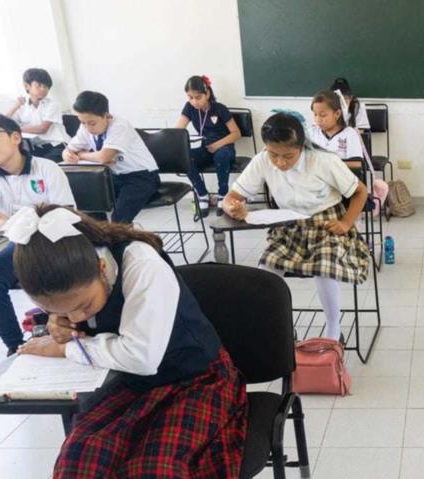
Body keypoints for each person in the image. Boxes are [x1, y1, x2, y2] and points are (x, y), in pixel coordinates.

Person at [7, 205, 281, 479]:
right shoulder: (70, 272)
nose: (77, 316)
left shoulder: (141, 265)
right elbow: (104, 341)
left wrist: (69, 347)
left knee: (161, 473)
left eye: (81, 305)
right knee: (79, 463)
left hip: (197, 379)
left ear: (101, 265)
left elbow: (142, 355)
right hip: (130, 384)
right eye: (61, 309)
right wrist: (63, 324)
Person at [220, 113, 370, 342]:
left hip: (326, 222)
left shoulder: (322, 161)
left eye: (288, 156)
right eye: (273, 154)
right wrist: (233, 208)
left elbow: (360, 192)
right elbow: (231, 197)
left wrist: (346, 223)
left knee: (324, 267)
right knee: (266, 275)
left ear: (301, 147)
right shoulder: (262, 160)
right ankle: (284, 328)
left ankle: (333, 330)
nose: (280, 162)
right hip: (288, 224)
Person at [0, 113, 77, 354]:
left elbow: (62, 214)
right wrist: (9, 223)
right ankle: (15, 345)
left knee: (48, 276)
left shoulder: (46, 168)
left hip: (54, 239)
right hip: (19, 241)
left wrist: (15, 223)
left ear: (16, 137)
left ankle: (67, 329)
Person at [63, 90, 160, 224]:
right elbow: (67, 150)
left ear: (106, 116)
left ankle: (120, 242)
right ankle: (102, 239)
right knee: (89, 206)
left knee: (118, 221)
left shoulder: (120, 126)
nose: (87, 128)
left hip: (142, 177)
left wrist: (80, 155)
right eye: (82, 122)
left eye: (91, 123)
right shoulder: (85, 127)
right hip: (114, 177)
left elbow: (104, 157)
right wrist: (68, 154)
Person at [174, 75, 242, 210]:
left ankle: (223, 194)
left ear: (208, 93)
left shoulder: (220, 108)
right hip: (206, 148)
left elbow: (236, 133)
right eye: (190, 97)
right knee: (186, 159)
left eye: (198, 97)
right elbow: (177, 131)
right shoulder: (189, 108)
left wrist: (217, 145)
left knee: (221, 155)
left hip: (225, 148)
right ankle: (202, 194)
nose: (194, 101)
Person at [6, 67, 70, 161]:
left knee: (41, 165)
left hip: (58, 145)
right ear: (27, 86)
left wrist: (16, 129)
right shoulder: (21, 106)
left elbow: (42, 129)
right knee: (21, 162)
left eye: (46, 87)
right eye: (39, 86)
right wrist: (15, 106)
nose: (43, 89)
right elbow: (2, 123)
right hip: (37, 147)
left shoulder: (52, 105)